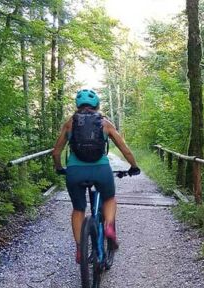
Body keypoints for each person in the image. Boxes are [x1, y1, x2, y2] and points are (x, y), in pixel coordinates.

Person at [52, 89, 140, 263]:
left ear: (78, 105)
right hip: (101, 170)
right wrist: (133, 166)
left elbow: (56, 152)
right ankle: (108, 227)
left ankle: (79, 249)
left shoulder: (70, 123)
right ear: (97, 105)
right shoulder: (105, 123)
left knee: (78, 209)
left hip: (75, 172)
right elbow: (124, 148)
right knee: (109, 199)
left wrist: (60, 168)